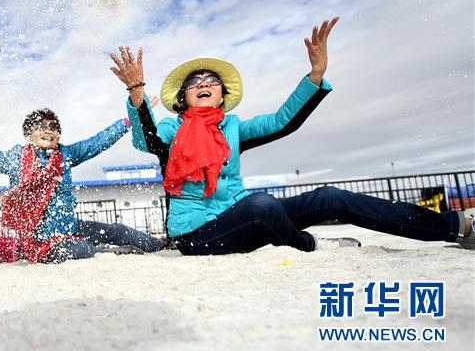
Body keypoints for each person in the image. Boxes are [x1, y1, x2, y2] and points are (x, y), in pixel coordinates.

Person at [110, 17, 475, 254]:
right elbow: (149, 140)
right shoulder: (174, 129)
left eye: (211, 81)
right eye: (195, 82)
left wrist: (315, 74)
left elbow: (283, 122)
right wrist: (138, 95)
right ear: (182, 97)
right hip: (197, 233)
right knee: (262, 205)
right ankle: (310, 244)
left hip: (244, 215)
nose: (203, 84)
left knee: (328, 196)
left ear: (222, 94)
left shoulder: (233, 128)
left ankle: (454, 226)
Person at [0, 93, 163, 263]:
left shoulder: (66, 155)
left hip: (68, 226)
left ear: (59, 136)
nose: (48, 130)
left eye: (53, 127)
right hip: (37, 239)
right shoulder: (15, 159)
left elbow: (97, 142)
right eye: (40, 126)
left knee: (119, 230)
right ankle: (108, 253)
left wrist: (131, 120)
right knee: (79, 250)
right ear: (28, 136)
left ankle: (160, 245)